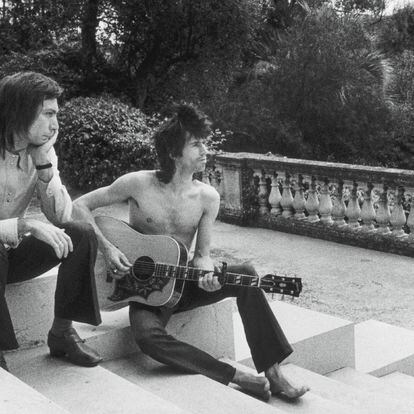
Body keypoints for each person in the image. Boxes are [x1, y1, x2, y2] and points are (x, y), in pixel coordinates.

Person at [73, 104, 309, 401]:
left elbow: (201, 255)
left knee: (247, 274)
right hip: (144, 288)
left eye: (204, 142)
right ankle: (234, 376)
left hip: (183, 282)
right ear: (174, 152)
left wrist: (206, 274)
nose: (205, 150)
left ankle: (274, 373)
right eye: (196, 144)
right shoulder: (136, 184)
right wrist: (106, 249)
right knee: (147, 337)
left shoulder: (207, 197)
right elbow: (79, 206)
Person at [0, 72, 102, 371]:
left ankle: (61, 333)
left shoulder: (42, 152)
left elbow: (61, 217)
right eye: (48, 114)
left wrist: (44, 166)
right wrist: (25, 225)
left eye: (56, 115)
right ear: (20, 110)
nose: (55, 125)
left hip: (8, 257)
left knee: (80, 233)